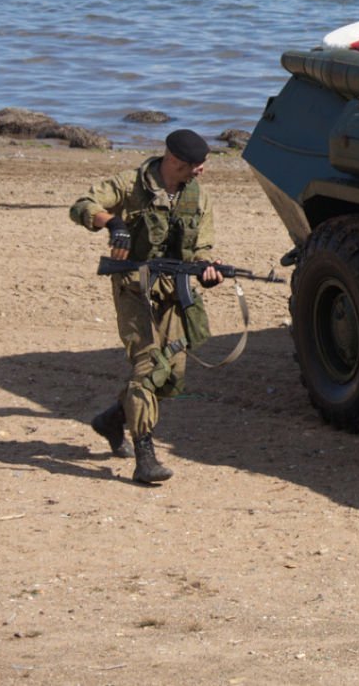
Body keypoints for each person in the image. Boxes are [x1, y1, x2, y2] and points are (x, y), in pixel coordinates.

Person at [69, 128, 221, 484]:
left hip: (173, 288)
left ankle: (112, 419)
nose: (201, 170)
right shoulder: (130, 185)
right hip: (133, 286)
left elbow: (201, 249)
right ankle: (145, 455)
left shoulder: (198, 197)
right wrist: (114, 224)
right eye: (195, 165)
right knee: (148, 365)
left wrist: (207, 270)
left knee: (171, 372)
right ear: (174, 160)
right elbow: (82, 205)